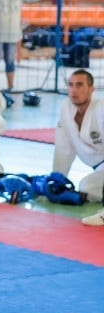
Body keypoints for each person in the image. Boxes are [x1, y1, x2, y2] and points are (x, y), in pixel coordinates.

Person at [54, 69, 104, 225]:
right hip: (100, 169)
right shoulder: (65, 108)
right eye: (71, 85)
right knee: (86, 187)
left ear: (91, 89)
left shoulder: (101, 108)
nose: (73, 90)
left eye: (80, 85)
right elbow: (64, 148)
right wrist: (57, 179)